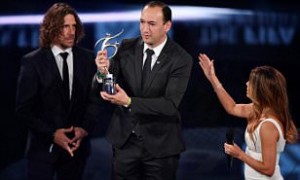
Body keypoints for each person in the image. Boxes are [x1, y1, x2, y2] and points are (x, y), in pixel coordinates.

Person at [93, 1, 193, 179]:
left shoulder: (181, 59)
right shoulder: (126, 47)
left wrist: (129, 101)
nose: (145, 29)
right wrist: (102, 72)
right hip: (125, 144)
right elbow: (104, 81)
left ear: (167, 26)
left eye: (152, 24)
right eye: (142, 22)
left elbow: (169, 105)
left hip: (160, 148)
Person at [15, 3, 97, 180]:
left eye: (74, 26)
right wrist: (52, 134)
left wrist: (83, 129)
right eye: (65, 26)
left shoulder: (88, 58)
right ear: (52, 28)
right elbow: (23, 110)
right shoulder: (32, 62)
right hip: (42, 152)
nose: (71, 32)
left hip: (76, 151)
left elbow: (94, 101)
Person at [198, 53, 299, 179]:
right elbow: (232, 107)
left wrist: (240, 154)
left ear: (261, 89)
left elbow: (269, 169)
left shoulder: (268, 125)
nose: (246, 83)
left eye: (251, 82)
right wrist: (212, 78)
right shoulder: (255, 110)